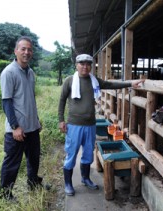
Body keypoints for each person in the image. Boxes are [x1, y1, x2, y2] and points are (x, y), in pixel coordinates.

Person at [58, 53, 144, 196]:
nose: (85, 66)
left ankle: (85, 178)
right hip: (74, 125)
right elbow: (61, 101)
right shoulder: (70, 81)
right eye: (82, 63)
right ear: (76, 65)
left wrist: (130, 83)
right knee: (71, 154)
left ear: (91, 66)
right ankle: (68, 183)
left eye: (88, 64)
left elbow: (111, 84)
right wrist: (61, 120)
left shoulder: (94, 81)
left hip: (90, 125)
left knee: (87, 154)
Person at [0, 36, 44, 201]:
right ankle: (5, 194)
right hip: (17, 130)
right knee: (12, 163)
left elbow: (29, 98)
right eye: (23, 49)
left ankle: (33, 183)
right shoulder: (9, 72)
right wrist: (15, 126)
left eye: (29, 49)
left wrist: (36, 119)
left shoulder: (30, 72)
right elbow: (7, 102)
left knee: (34, 159)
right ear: (16, 51)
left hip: (32, 127)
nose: (27, 52)